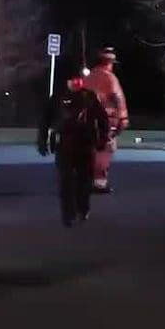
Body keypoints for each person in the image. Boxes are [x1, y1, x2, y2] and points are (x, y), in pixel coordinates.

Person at [38, 76, 110, 226]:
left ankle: (82, 208)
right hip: (65, 143)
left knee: (84, 180)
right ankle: (69, 214)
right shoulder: (58, 97)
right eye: (72, 80)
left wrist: (103, 139)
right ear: (68, 81)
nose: (76, 83)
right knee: (66, 181)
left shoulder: (89, 97)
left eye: (78, 79)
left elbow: (103, 119)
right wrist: (42, 140)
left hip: (85, 143)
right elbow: (45, 120)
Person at [83, 47, 128, 193]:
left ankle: (85, 180)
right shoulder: (110, 78)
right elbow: (117, 99)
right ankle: (99, 183)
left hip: (86, 120)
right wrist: (122, 118)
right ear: (109, 63)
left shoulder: (89, 77)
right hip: (106, 121)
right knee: (104, 150)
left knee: (88, 150)